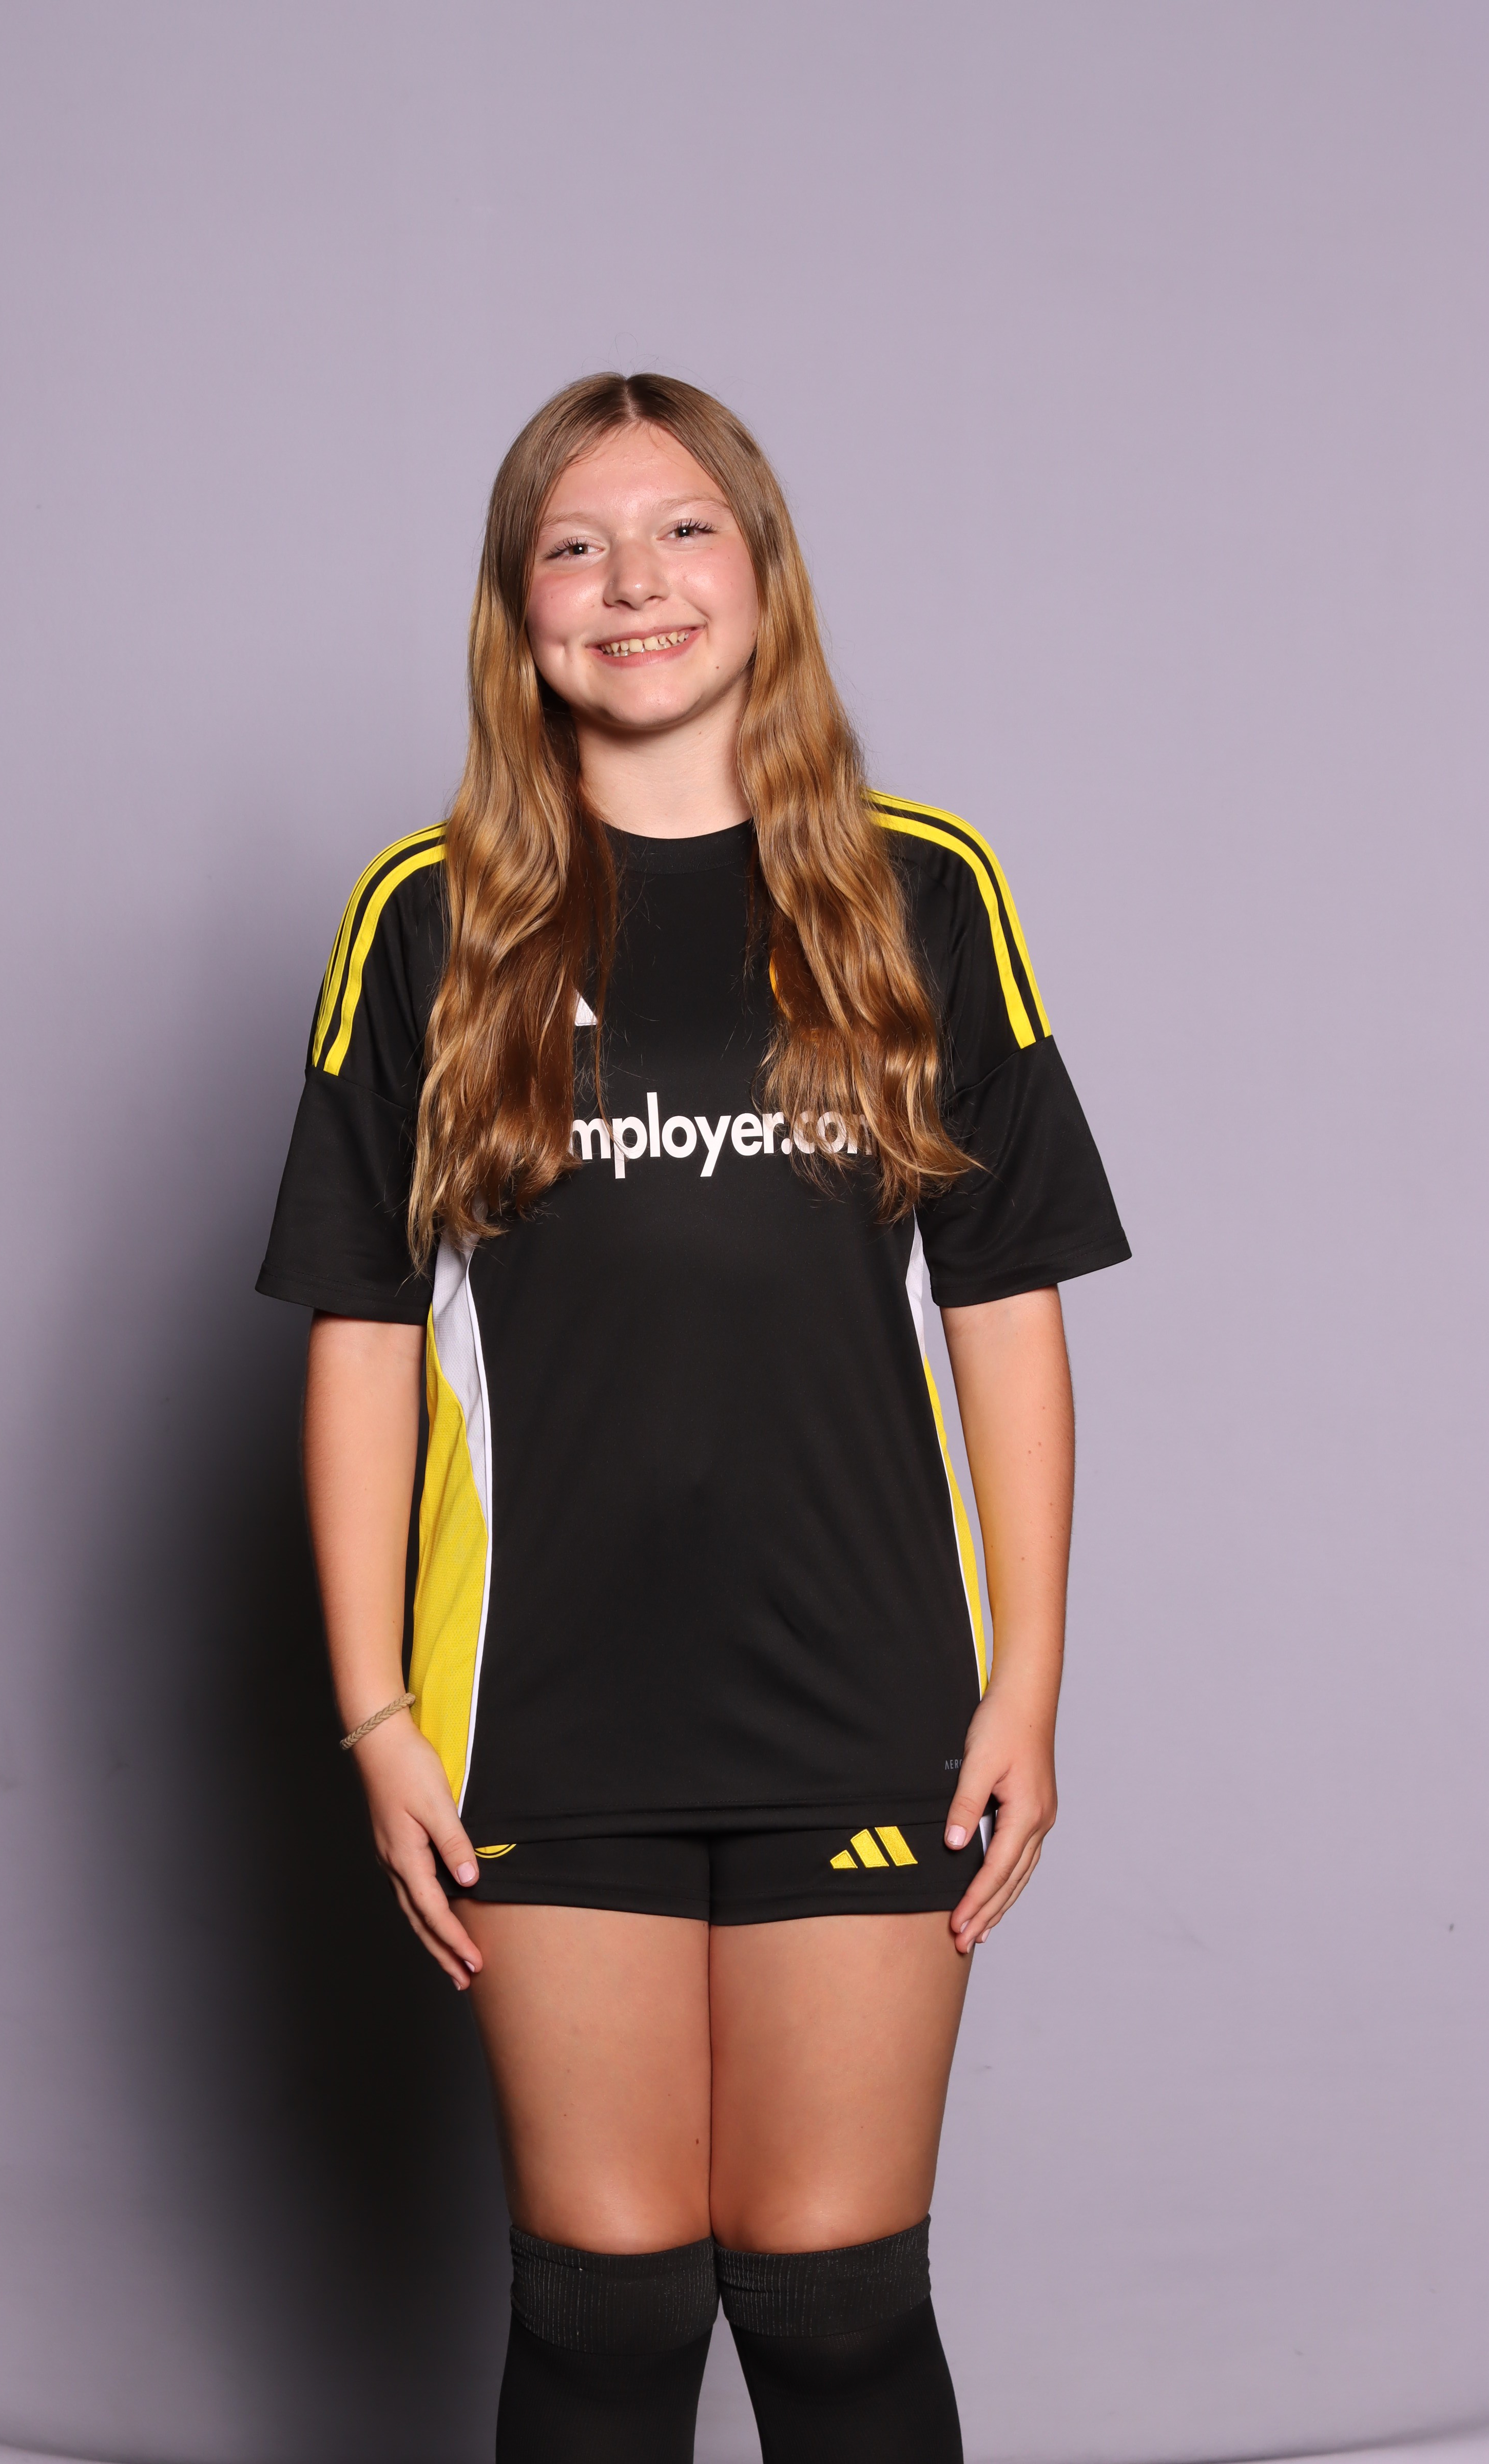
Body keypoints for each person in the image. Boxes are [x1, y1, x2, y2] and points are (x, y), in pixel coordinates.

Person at [258, 371, 1129, 2463]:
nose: (629, 581)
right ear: (517, 608)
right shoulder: (425, 916)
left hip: (862, 1692)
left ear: (763, 573)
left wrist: (1025, 1682)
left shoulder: (920, 891)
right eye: (572, 545)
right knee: (607, 2303)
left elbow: (1004, 1304)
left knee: (832, 2305)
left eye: (677, 532)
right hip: (539, 1709)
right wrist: (376, 1717)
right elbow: (361, 1336)